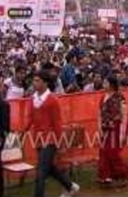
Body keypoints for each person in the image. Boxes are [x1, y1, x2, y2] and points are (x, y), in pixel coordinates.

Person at [24, 69, 79, 197]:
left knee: (41, 171)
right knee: (49, 168)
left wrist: (60, 143)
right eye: (34, 80)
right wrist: (22, 131)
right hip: (38, 139)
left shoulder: (52, 100)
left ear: (45, 83)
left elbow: (57, 123)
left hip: (50, 140)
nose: (34, 83)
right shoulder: (33, 99)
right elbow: (30, 118)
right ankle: (70, 186)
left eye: (37, 81)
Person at [97, 76, 128, 187]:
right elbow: (99, 114)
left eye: (105, 82)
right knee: (103, 152)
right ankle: (107, 176)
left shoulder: (120, 97)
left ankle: (124, 174)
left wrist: (122, 133)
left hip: (116, 128)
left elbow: (124, 115)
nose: (103, 84)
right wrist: (99, 128)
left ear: (111, 85)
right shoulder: (103, 97)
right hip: (104, 128)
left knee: (112, 152)